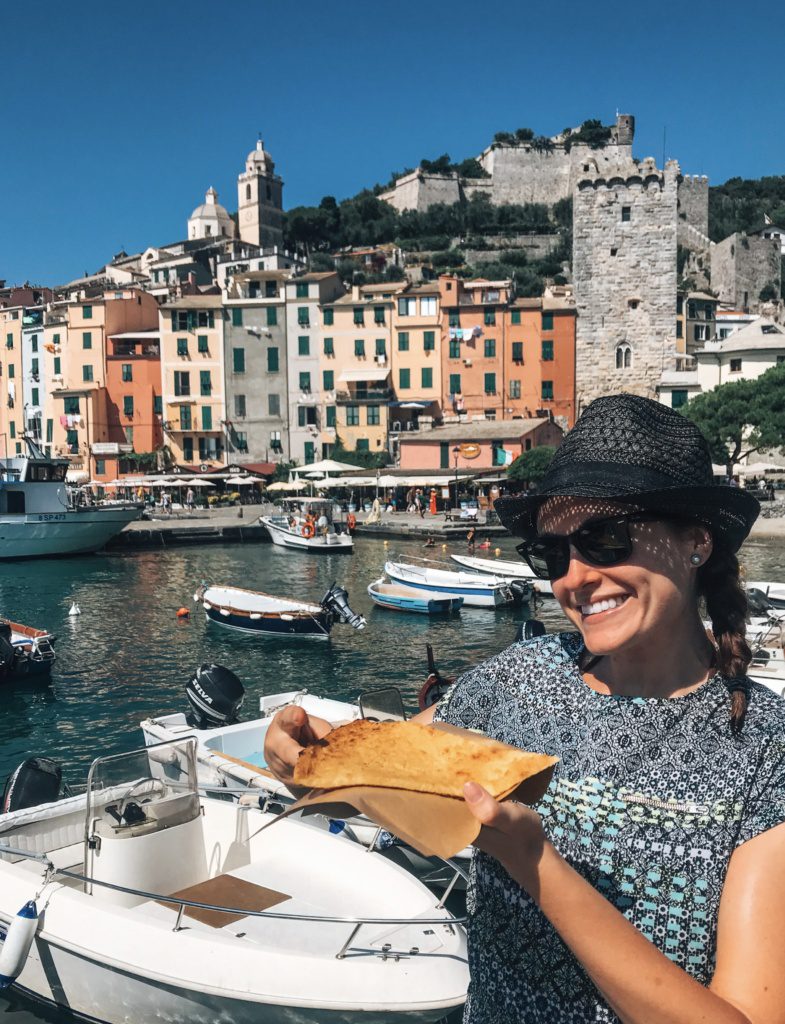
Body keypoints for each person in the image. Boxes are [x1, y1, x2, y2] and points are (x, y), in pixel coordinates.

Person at [264, 394, 785, 1024]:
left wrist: (534, 862)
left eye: (604, 537)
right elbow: (386, 769)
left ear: (697, 541)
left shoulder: (765, 748)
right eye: (555, 555)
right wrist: (305, 754)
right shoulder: (520, 677)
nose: (574, 578)